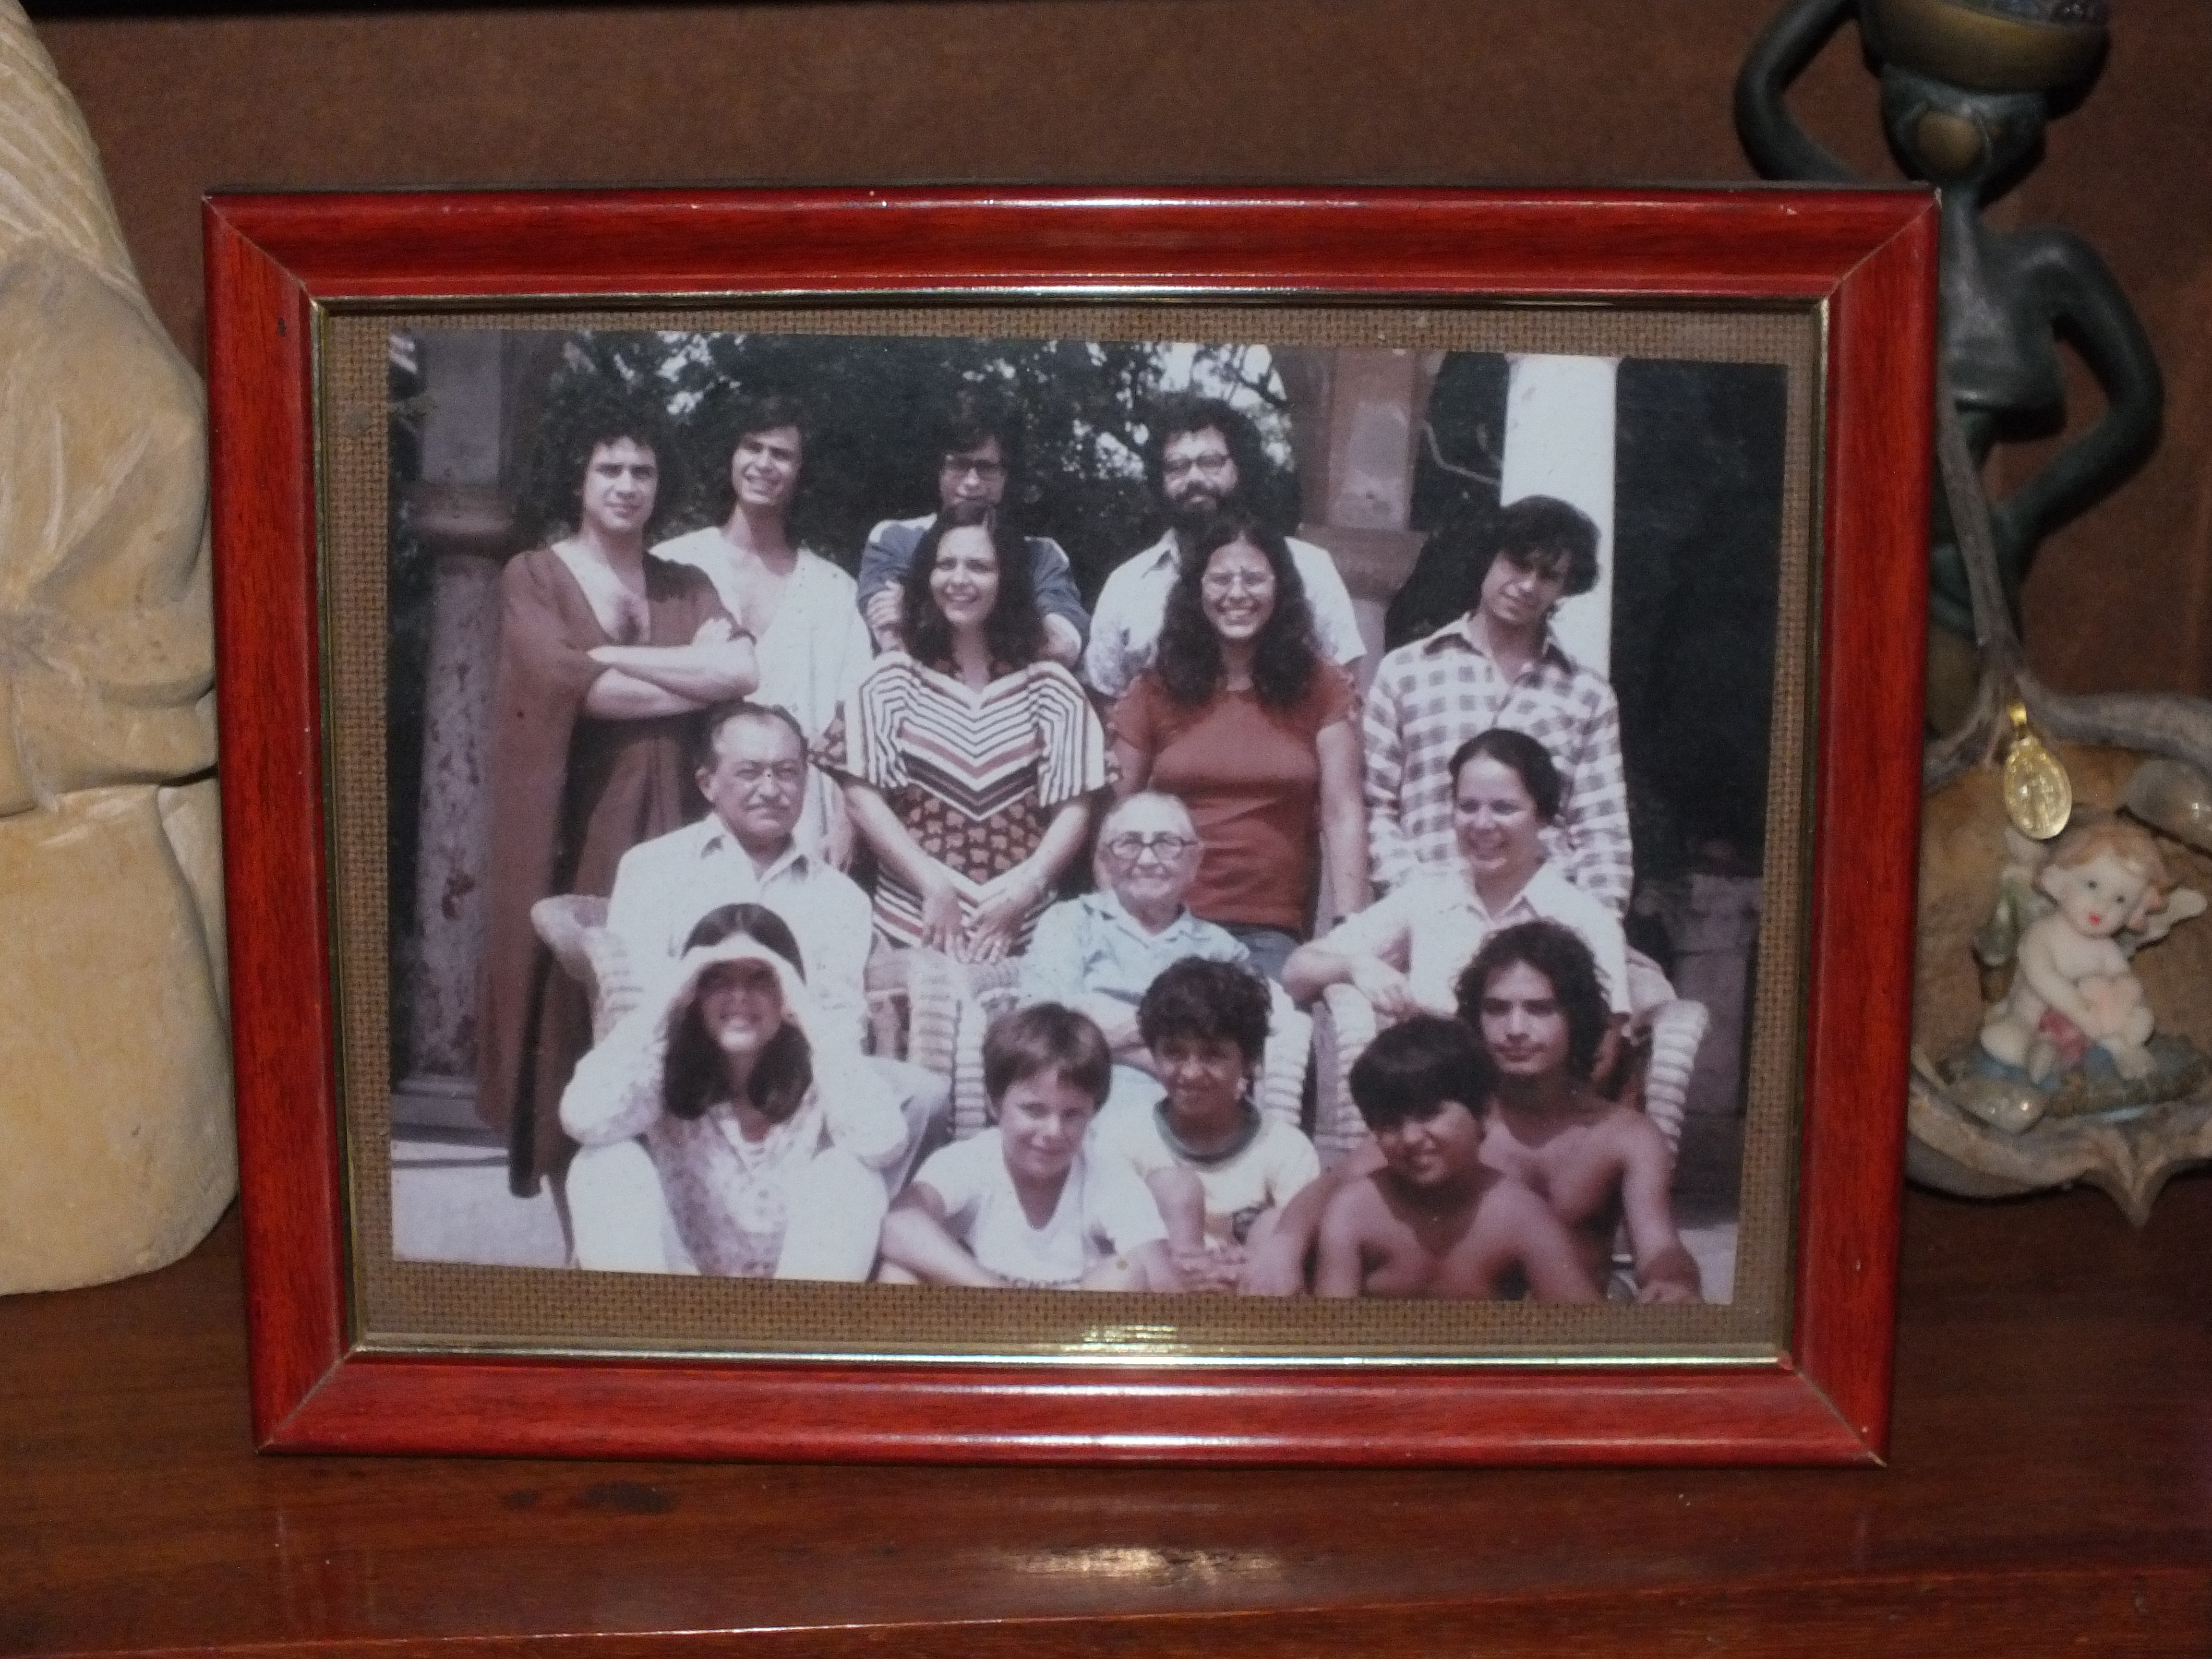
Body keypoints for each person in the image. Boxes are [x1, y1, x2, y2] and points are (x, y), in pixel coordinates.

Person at [476, 381, 758, 1205]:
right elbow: (585, 697)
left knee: (678, 1027)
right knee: (576, 1038)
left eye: (643, 471)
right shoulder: (534, 577)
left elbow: (742, 671)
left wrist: (604, 660)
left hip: (678, 830)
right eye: (611, 469)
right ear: (580, 477)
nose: (628, 485)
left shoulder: (686, 584)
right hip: (576, 833)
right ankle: (584, 1242)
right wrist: (688, 673)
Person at [603, 700, 951, 1187]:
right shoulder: (653, 869)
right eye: (749, 773)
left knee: (925, 1095)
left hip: (798, 1073)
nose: (770, 789)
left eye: (787, 773)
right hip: (690, 1066)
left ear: (806, 782)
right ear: (707, 783)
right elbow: (640, 995)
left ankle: (833, 1217)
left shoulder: (839, 896)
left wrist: (823, 1080)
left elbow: (841, 1010)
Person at [559, 904, 904, 1280]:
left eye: (760, 979)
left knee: (850, 1173)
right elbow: (583, 1118)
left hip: (795, 1292)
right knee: (601, 1164)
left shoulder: (824, 1068)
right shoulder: (660, 1069)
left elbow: (882, 1141)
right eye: (718, 980)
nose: (739, 996)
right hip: (682, 1295)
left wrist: (807, 1010)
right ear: (695, 992)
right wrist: (665, 1000)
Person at [835, 501, 1106, 961]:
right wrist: (933, 886)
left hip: (1025, 929)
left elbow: (1076, 806)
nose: (959, 579)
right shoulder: (889, 678)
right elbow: (862, 797)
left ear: (1007, 578)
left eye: (979, 567)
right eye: (946, 565)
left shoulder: (1051, 686)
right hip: (912, 923)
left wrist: (1023, 892)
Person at [1108, 511, 1369, 979]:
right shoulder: (1155, 688)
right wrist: (1114, 922)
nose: (1237, 594)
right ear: (1197, 590)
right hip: (1165, 922)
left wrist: (1350, 926)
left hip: (1271, 931)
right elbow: (1115, 815)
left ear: (1280, 588)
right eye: (1221, 579)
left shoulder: (1322, 686)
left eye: (1254, 579)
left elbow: (1343, 810)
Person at [1362, 495, 1632, 913]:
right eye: (1518, 564)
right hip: (1425, 910)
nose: (1528, 586)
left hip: (1544, 919)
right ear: (1489, 558)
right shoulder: (1407, 672)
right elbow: (1374, 807)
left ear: (1564, 589)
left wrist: (1592, 927)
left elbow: (1602, 831)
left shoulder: (1586, 694)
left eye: (1548, 576)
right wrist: (1416, 899)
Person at [1282, 728, 1629, 1027]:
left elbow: (1605, 1051)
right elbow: (1297, 971)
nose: (1482, 824)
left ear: (1543, 816)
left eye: (1504, 808)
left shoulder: (1584, 917)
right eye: (1468, 807)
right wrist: (1355, 966)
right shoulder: (1429, 898)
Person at [654, 392, 872, 862]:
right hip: (685, 806)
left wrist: (846, 825)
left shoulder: (833, 590)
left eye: (782, 454)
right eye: (752, 447)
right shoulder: (674, 564)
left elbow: (853, 722)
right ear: (731, 456)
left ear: (801, 471)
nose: (764, 464)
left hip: (799, 823)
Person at [1457, 921, 1701, 1302]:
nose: (1515, 1029)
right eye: (1497, 1009)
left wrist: (1674, 1283)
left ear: (1576, 1017)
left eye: (1540, 1009)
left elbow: (1661, 1248)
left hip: (1578, 1325)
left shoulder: (1624, 1136)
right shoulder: (1452, 1125)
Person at [1082, 394, 1364, 702]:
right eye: (1177, 467)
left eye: (1211, 462)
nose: (1194, 478)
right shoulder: (1127, 586)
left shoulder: (1309, 567)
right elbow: (1106, 705)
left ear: (1241, 467)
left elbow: (1345, 693)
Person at [878, 1004, 1181, 1290]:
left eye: (1072, 1115)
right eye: (1035, 1110)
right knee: (899, 1270)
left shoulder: (1105, 1171)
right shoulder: (971, 1160)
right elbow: (898, 1224)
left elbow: (1161, 1279)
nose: (1053, 1132)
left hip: (1075, 1322)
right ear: (995, 1105)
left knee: (1124, 1273)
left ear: (1093, 1114)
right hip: (984, 1311)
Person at [1313, 1016, 1597, 1301]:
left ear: (1483, 1113)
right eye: (1389, 1123)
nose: (1410, 1138)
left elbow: (1582, 1322)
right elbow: (1333, 1325)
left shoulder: (1517, 1214)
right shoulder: (1356, 1210)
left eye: (1428, 1113)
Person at [1017, 791, 1251, 1122]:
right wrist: (1172, 1040)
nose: (1147, 860)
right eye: (1129, 843)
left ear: (1195, 861)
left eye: (1167, 843)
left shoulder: (1220, 950)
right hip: (1078, 1111)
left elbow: (1233, 1050)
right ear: (1106, 859)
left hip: (1189, 1123)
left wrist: (1096, 1021)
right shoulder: (1070, 922)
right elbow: (1044, 1029)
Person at [1092, 959, 1320, 1292]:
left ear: (1249, 1060)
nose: (1191, 1073)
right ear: (1153, 1053)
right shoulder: (1121, 1137)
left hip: (1251, 1302)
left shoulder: (1287, 1148)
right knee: (1168, 1187)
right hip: (1161, 1301)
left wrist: (1248, 1266)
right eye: (1174, 1053)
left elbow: (1300, 1254)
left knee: (1276, 1224)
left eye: (1213, 1056)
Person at [855, 388, 1089, 669]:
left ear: (1006, 476)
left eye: (986, 468)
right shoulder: (896, 539)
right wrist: (1018, 621)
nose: (972, 482)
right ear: (939, 471)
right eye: (959, 465)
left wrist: (918, 608)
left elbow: (1063, 645)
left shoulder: (1042, 555)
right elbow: (889, 634)